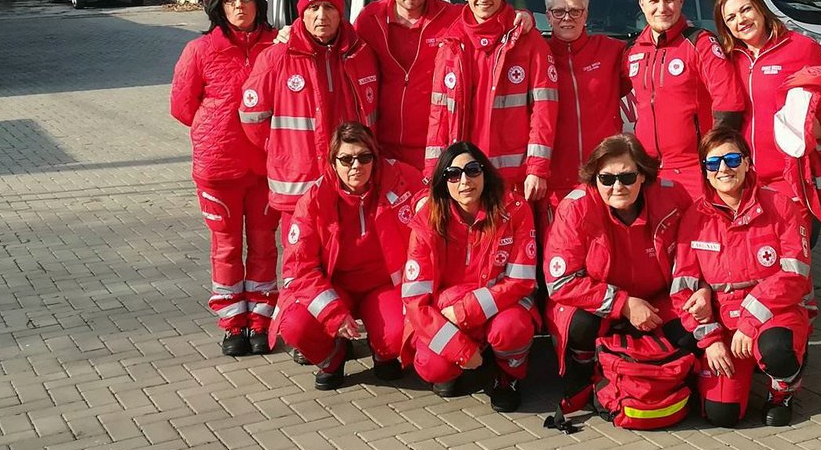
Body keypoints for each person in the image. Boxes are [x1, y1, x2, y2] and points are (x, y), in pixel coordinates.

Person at [673, 129, 815, 427]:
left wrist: (750, 322)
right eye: (713, 163)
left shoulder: (781, 206)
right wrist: (710, 339)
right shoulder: (694, 217)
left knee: (778, 351)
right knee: (721, 416)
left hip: (776, 311)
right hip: (724, 321)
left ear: (748, 163)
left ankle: (782, 390)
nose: (723, 169)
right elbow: (682, 290)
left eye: (732, 159)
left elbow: (794, 275)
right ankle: (744, 370)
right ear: (705, 172)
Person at [544, 134, 693, 416]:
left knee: (689, 331)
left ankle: (662, 377)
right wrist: (623, 304)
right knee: (580, 324)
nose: (617, 187)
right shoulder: (574, 208)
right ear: (594, 178)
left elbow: (697, 253)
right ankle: (584, 372)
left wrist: (702, 290)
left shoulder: (673, 196)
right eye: (606, 178)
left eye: (627, 177)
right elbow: (561, 282)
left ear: (643, 177)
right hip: (598, 306)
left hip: (657, 300)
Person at [169, 0, 278, 356]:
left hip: (267, 167)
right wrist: (217, 126)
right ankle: (233, 324)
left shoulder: (277, 45)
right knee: (226, 246)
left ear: (258, 3)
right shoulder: (199, 51)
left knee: (265, 245)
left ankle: (262, 320)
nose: (238, 6)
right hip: (219, 168)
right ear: (218, 5)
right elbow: (182, 106)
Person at [240, 0, 380, 256]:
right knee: (300, 259)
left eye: (329, 8)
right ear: (300, 14)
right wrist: (282, 149)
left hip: (349, 182)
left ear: (340, 12)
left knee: (347, 258)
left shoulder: (360, 53)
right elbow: (252, 117)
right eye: (312, 9)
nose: (321, 16)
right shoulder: (277, 57)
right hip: (298, 185)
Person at [277, 123, 423, 390]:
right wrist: (332, 313)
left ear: (375, 158)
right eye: (346, 159)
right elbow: (300, 268)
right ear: (333, 162)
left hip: (384, 286)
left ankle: (383, 352)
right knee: (295, 324)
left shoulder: (402, 179)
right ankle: (333, 357)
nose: (356, 166)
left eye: (364, 157)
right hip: (335, 287)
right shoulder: (314, 199)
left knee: (395, 337)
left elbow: (435, 204)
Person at [403, 143, 539, 411]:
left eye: (472, 170)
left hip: (501, 306)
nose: (464, 180)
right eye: (453, 174)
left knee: (512, 329)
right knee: (432, 367)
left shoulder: (514, 209)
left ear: (485, 174)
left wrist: (469, 309)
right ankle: (468, 360)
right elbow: (415, 299)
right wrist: (459, 349)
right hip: (446, 310)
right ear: (443, 182)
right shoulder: (427, 219)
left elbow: (522, 281)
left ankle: (508, 375)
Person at [425, 0, 557, 206]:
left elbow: (544, 110)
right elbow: (438, 114)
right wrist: (432, 172)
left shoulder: (528, 41)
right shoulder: (450, 44)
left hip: (512, 179)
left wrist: (537, 169)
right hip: (463, 176)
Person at [627, 0, 746, 189]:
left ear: (681, 0)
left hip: (694, 170)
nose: (662, 7)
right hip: (648, 171)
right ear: (641, 4)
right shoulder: (633, 50)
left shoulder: (700, 42)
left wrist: (713, 159)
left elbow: (730, 103)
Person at [351, 0, 468, 170]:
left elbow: (490, 21)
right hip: (381, 146)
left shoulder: (452, 17)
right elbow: (339, 43)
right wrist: (291, 32)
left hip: (434, 148)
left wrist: (523, 17)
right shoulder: (370, 18)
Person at [715, 0, 821, 202]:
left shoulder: (802, 48)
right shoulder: (727, 59)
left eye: (746, 9)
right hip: (745, 178)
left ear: (760, 8)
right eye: (731, 18)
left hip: (792, 177)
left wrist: (817, 130)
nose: (741, 20)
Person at [544, 0, 631, 206]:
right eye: (559, 11)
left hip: (606, 178)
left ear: (585, 15)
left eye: (575, 11)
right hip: (555, 182)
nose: (567, 18)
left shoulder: (612, 50)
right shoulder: (537, 54)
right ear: (548, 15)